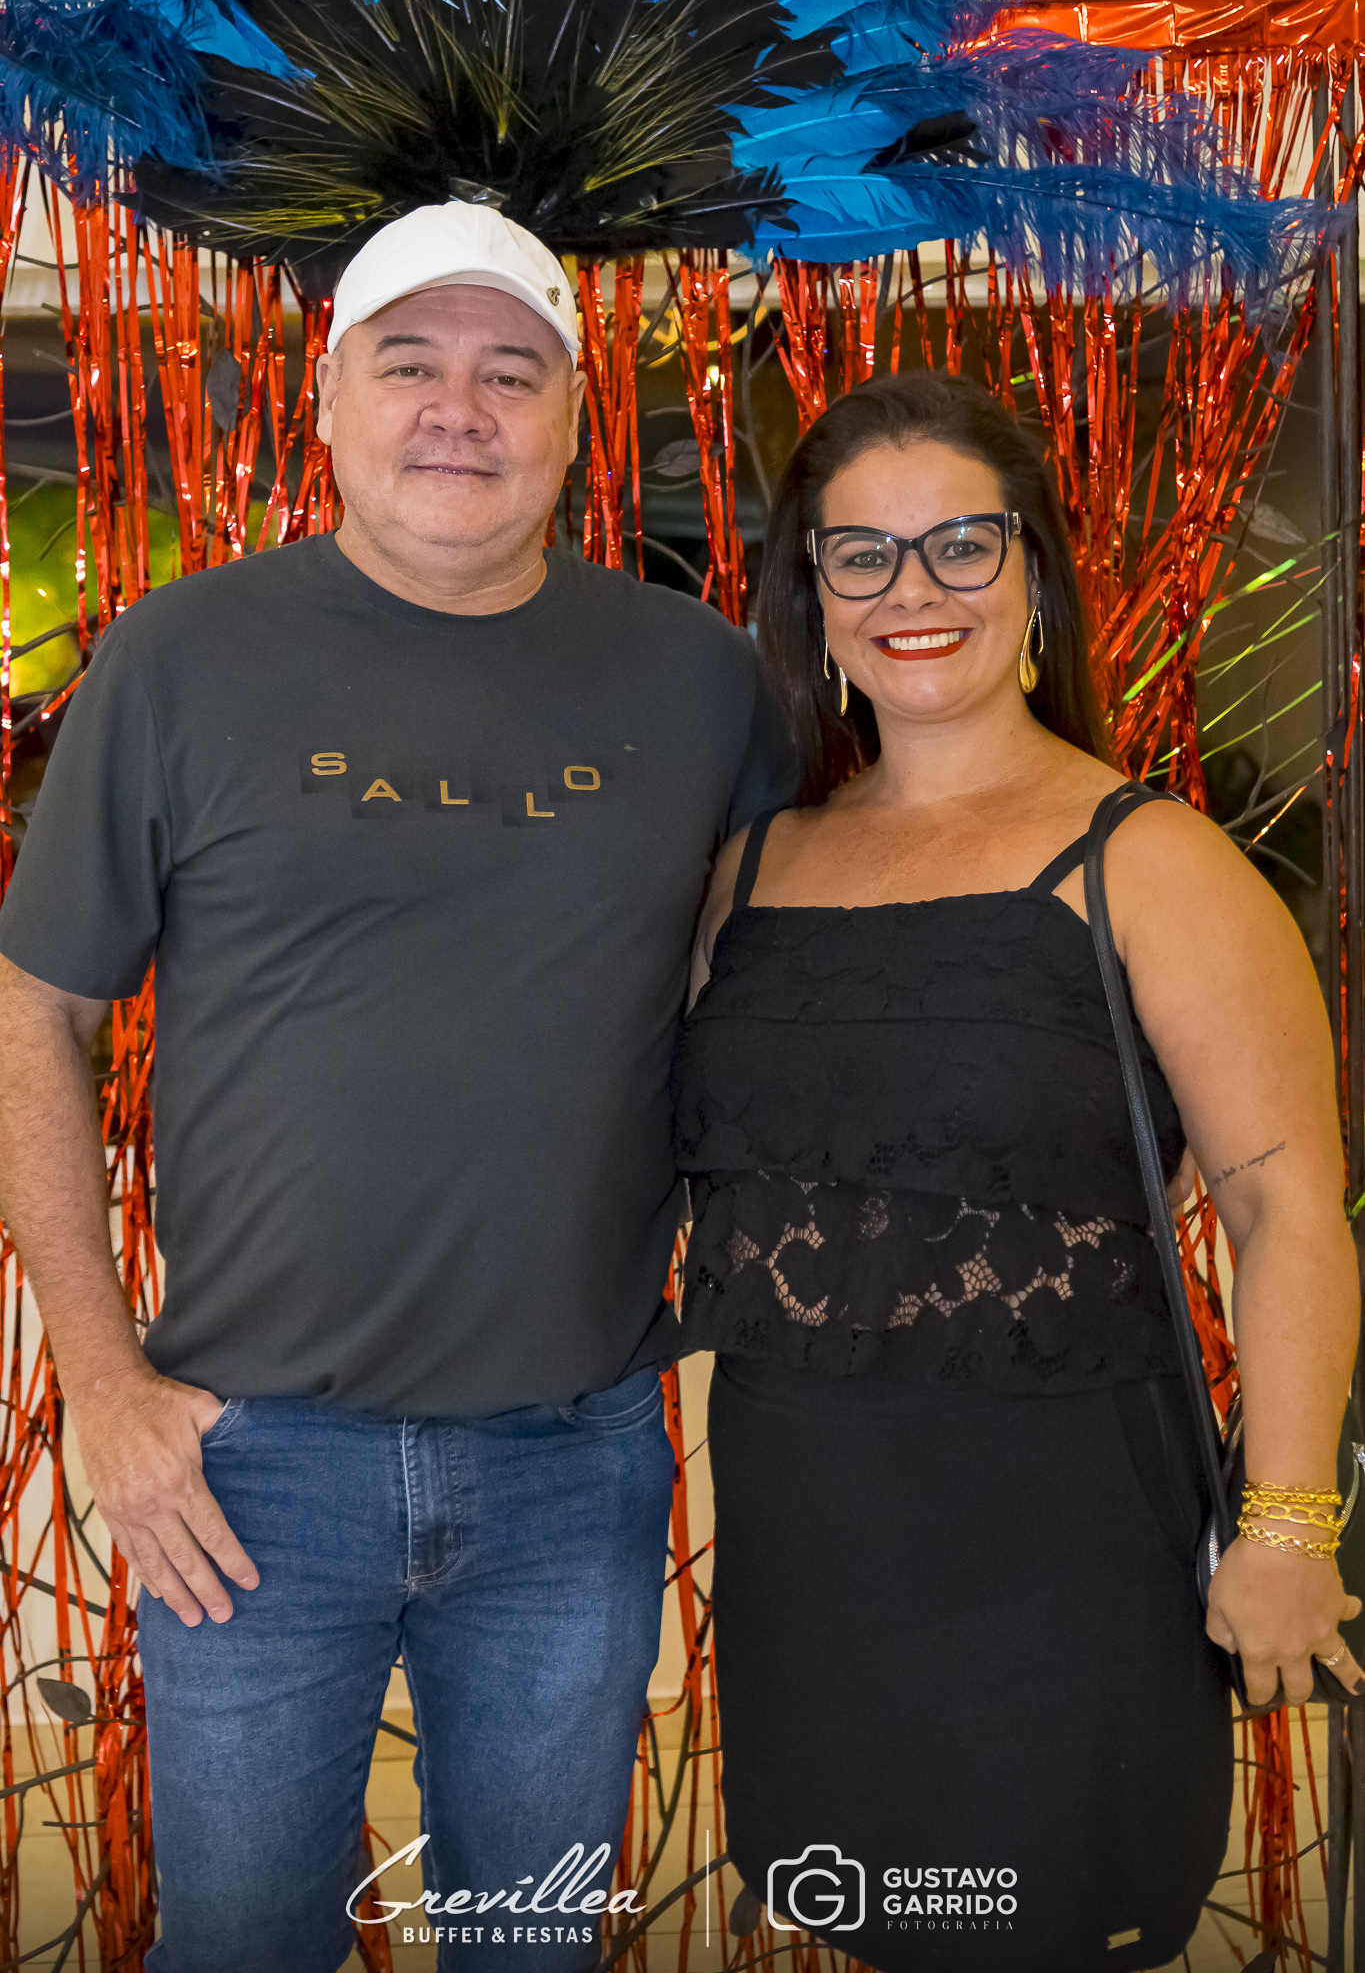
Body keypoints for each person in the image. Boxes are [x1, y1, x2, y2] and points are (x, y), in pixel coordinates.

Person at [0, 200, 792, 1973]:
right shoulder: (180, 658)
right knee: (241, 1947)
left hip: (573, 1457)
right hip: (248, 1466)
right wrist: (105, 1385)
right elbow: (31, 1015)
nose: (459, 410)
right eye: (410, 364)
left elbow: (768, 983)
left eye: (511, 374)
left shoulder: (700, 677)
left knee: (532, 1948)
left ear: (574, 420)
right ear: (329, 401)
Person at [643, 370, 1363, 1972]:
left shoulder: (1151, 861)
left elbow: (1283, 1209)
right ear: (810, 596)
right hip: (806, 1539)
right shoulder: (753, 867)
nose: (913, 592)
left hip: (1058, 1544)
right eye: (862, 555)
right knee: (860, 1915)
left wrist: (1286, 1525)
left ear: (1031, 568)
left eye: (959, 544)